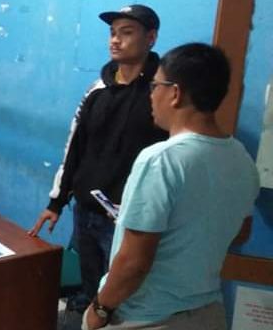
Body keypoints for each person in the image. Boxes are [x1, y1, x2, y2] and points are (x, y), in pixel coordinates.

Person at [83, 43, 260, 329]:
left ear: (175, 93)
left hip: (147, 318)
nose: (151, 95)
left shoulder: (160, 159)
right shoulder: (242, 159)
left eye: (155, 86)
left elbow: (134, 263)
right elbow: (240, 231)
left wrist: (100, 309)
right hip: (208, 313)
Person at [30, 4, 168, 312]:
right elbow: (75, 147)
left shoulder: (161, 94)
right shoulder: (97, 89)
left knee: (123, 295)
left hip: (129, 220)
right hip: (87, 211)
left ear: (151, 38)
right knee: (91, 284)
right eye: (112, 33)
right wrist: (56, 202)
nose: (115, 40)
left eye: (126, 33)